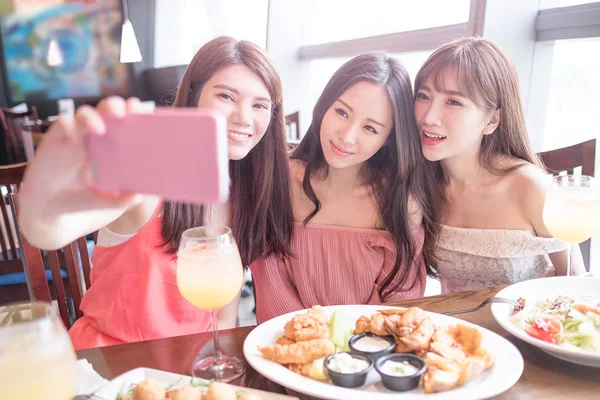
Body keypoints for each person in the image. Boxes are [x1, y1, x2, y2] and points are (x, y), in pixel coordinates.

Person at [18, 36, 294, 349]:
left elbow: (223, 317)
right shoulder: (149, 174)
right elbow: (50, 232)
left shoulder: (246, 194)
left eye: (260, 105)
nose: (244, 117)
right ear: (193, 96)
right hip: (113, 362)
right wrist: (43, 203)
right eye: (227, 97)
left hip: (190, 370)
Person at [250, 51, 439, 322]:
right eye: (341, 112)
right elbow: (271, 284)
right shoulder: (280, 180)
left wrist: (348, 349)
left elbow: (398, 302)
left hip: (368, 353)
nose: (347, 137)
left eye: (371, 129)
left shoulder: (399, 203)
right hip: (286, 346)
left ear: (388, 139)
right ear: (324, 105)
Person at [413, 37, 584, 293]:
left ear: (492, 120)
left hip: (524, 328)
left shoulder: (531, 189)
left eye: (454, 101)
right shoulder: (420, 183)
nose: (429, 117)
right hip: (454, 329)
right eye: (424, 96)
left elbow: (574, 281)